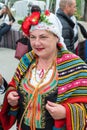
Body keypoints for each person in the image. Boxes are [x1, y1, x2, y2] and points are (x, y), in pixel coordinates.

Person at [0, 10, 87, 130]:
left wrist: (66, 112)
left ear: (57, 37)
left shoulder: (76, 66)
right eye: (32, 37)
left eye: (43, 37)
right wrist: (11, 97)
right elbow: (13, 86)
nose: (36, 43)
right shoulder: (27, 60)